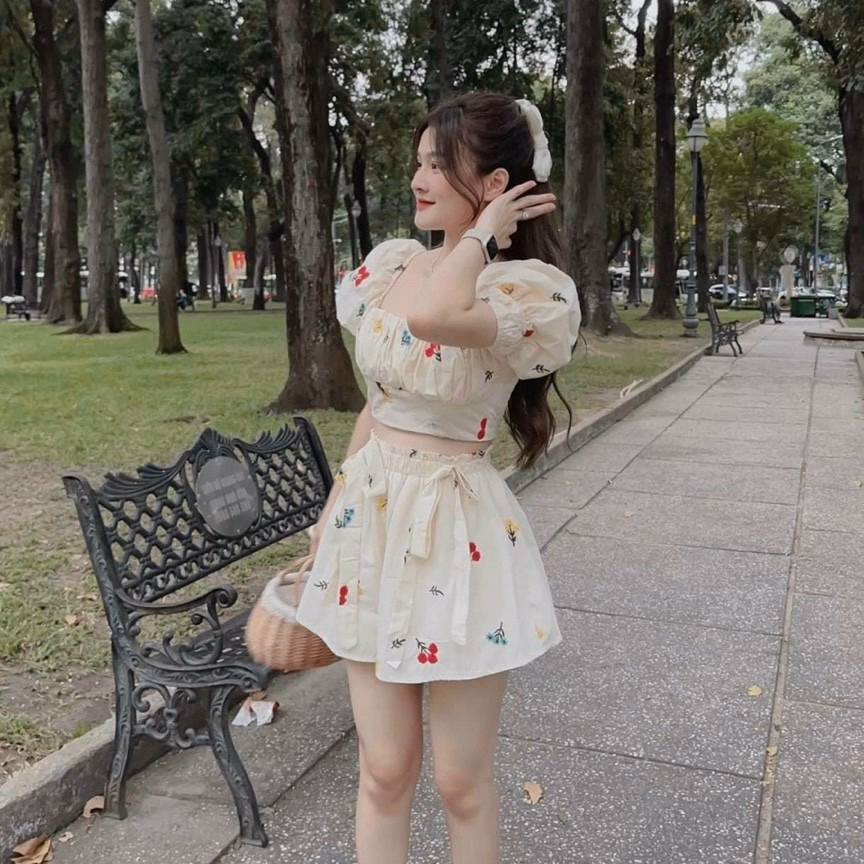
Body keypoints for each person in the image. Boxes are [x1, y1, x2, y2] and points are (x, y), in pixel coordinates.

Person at [295, 91, 581, 864]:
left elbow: (435, 320)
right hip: (371, 522)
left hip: (457, 534)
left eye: (437, 164)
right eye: (418, 161)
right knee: (385, 769)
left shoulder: (523, 290)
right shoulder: (395, 264)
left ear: (494, 185)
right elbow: (379, 403)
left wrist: (484, 238)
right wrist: (330, 513)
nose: (418, 179)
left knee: (460, 782)